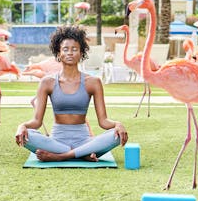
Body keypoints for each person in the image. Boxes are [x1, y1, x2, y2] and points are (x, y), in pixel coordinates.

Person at [15, 25, 128, 161]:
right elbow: (36, 122)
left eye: (74, 49)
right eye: (65, 49)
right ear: (58, 53)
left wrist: (118, 124)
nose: (70, 53)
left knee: (115, 136)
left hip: (84, 141)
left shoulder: (93, 82)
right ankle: (81, 154)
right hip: (56, 142)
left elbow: (103, 122)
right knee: (28, 135)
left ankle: (61, 157)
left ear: (81, 53)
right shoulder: (47, 82)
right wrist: (22, 126)